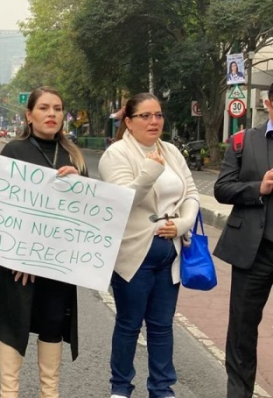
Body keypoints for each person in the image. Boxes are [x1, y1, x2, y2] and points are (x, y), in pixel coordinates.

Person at [0, 86, 86, 398]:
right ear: (29, 115)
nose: (51, 114)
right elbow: (2, 209)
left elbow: (87, 215)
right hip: (18, 262)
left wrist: (81, 185)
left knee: (53, 324)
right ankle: (9, 393)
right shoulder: (13, 152)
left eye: (57, 108)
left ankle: (49, 393)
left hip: (58, 262)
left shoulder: (73, 156)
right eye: (44, 108)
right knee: (14, 324)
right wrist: (20, 256)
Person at [99, 93, 199, 398]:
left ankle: (161, 387)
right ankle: (120, 388)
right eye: (145, 116)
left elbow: (191, 192)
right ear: (129, 122)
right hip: (134, 254)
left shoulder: (171, 151)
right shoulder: (116, 154)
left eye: (158, 115)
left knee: (162, 325)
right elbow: (122, 201)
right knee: (129, 324)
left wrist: (183, 223)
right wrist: (150, 172)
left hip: (170, 254)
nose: (154, 121)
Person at [213, 82, 273, 397]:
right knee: (242, 329)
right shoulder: (244, 141)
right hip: (254, 250)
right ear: (269, 104)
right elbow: (222, 189)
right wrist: (257, 188)